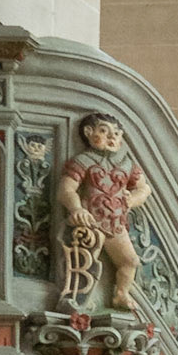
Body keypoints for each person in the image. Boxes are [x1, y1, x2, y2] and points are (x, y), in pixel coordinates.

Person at [57, 113, 151, 311]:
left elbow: (144, 188)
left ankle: (121, 294)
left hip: (116, 223)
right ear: (88, 132)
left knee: (131, 261)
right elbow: (66, 189)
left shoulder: (126, 163)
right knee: (85, 259)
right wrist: (77, 209)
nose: (111, 137)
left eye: (116, 134)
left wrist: (133, 199)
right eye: (103, 131)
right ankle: (77, 296)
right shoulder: (83, 161)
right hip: (92, 220)